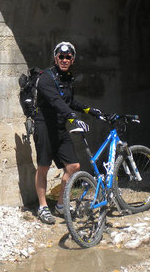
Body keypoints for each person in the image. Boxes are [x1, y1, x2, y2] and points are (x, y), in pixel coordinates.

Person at [33, 41, 103, 224]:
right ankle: (42, 207)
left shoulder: (67, 79)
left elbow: (68, 101)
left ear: (73, 60)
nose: (64, 60)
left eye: (68, 57)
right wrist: (72, 117)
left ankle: (61, 205)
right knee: (43, 166)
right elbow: (56, 101)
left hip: (59, 126)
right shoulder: (46, 78)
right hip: (44, 125)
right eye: (61, 56)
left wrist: (89, 110)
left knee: (73, 167)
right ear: (56, 58)